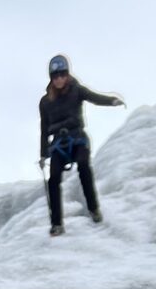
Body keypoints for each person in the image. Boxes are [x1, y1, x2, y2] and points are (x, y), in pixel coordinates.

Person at [38, 53, 123, 236]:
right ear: (52, 78)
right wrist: (43, 154)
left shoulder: (77, 90)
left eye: (62, 75)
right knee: (53, 180)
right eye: (56, 76)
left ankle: (94, 209)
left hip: (78, 139)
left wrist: (112, 101)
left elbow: (95, 98)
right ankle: (57, 224)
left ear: (67, 74)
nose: (59, 79)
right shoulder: (45, 102)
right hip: (58, 145)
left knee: (84, 166)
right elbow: (44, 128)